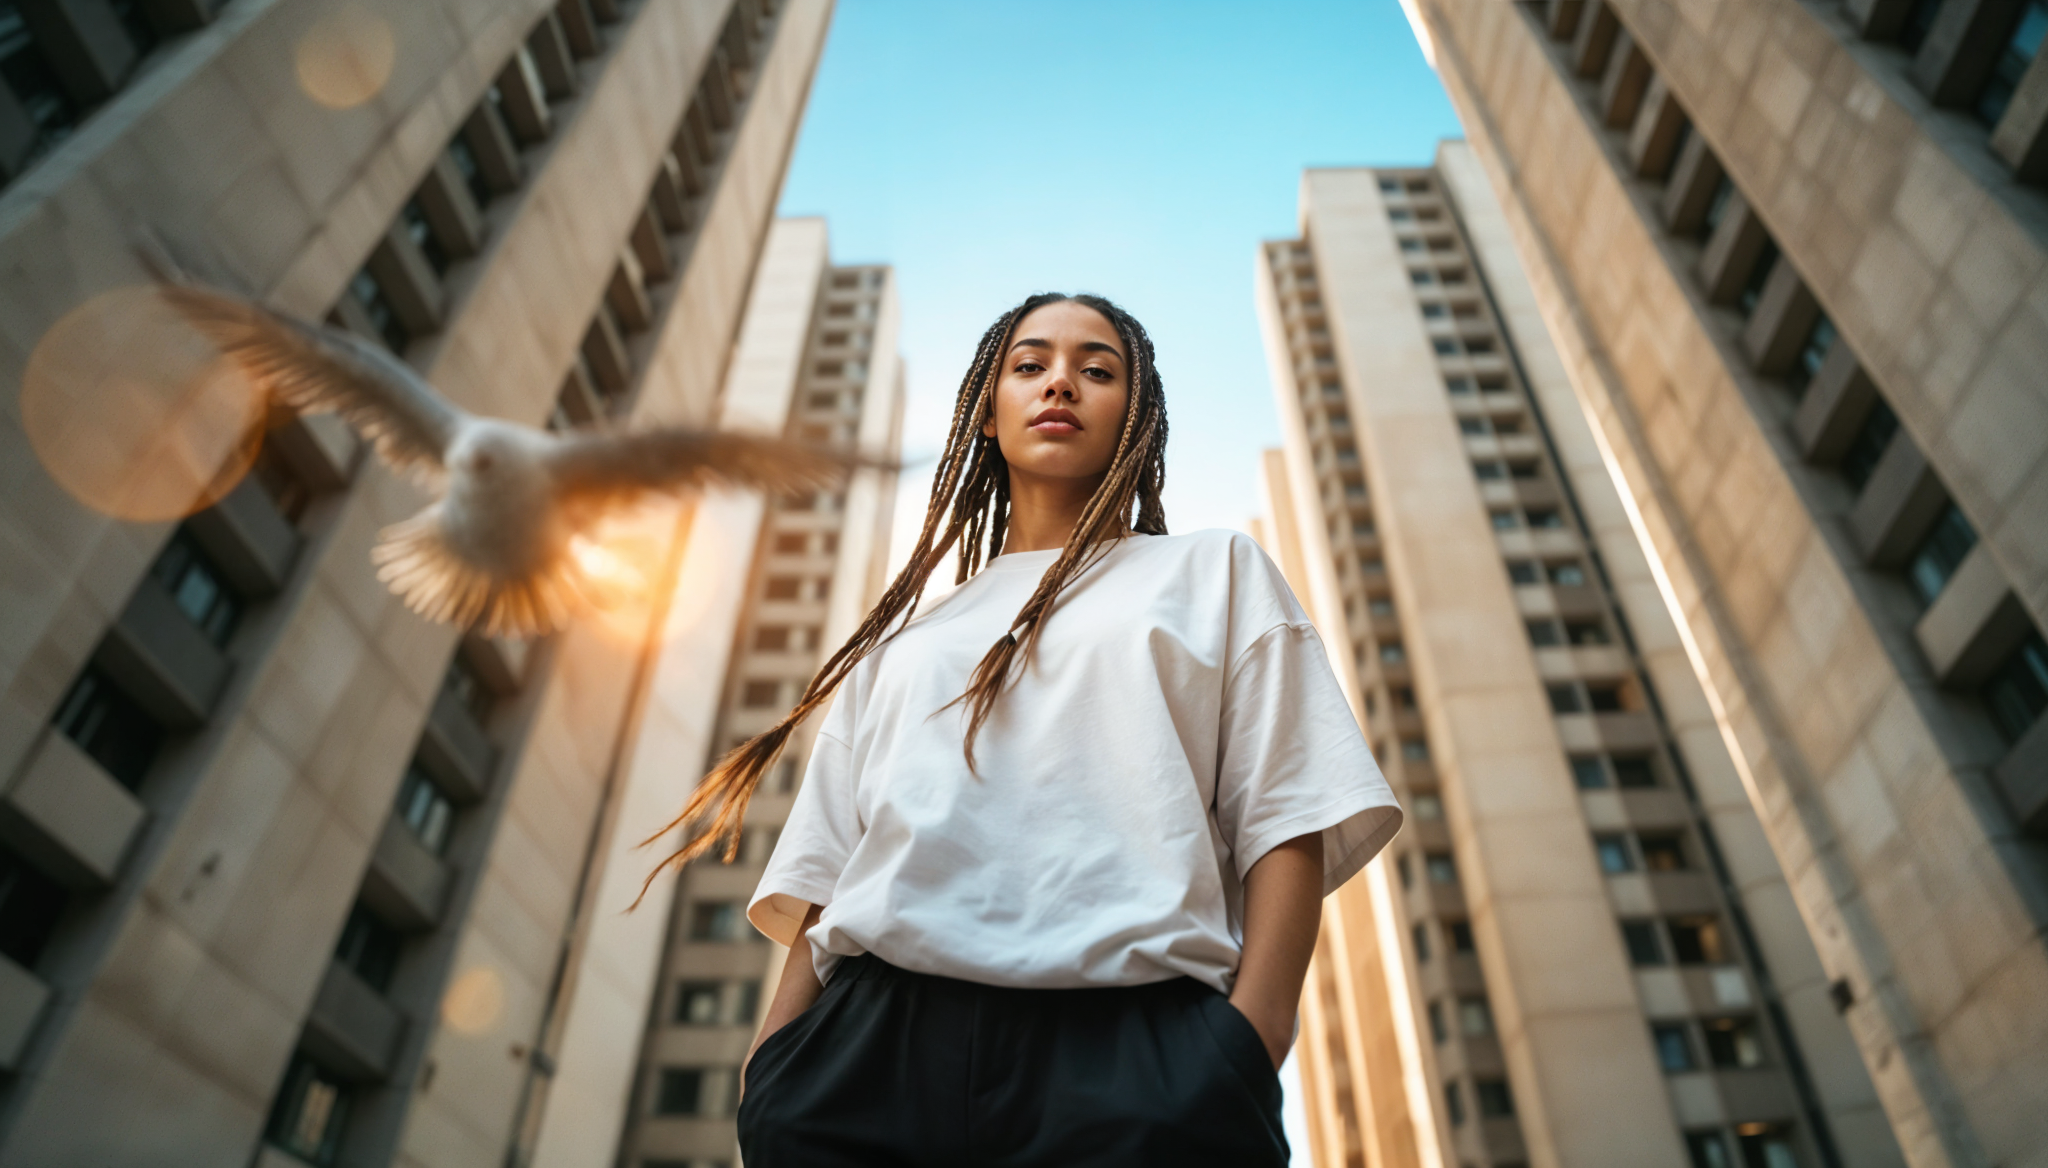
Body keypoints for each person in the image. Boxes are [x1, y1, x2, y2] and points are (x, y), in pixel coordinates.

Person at [646, 292, 1400, 1166]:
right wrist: (771, 1072)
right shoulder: (906, 639)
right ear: (986, 413)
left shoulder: (1212, 570)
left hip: (1138, 1052)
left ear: (1138, 417)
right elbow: (829, 869)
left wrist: (1249, 1041)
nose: (1062, 385)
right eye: (1030, 364)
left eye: (1098, 369)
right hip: (868, 1059)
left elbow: (1288, 812)